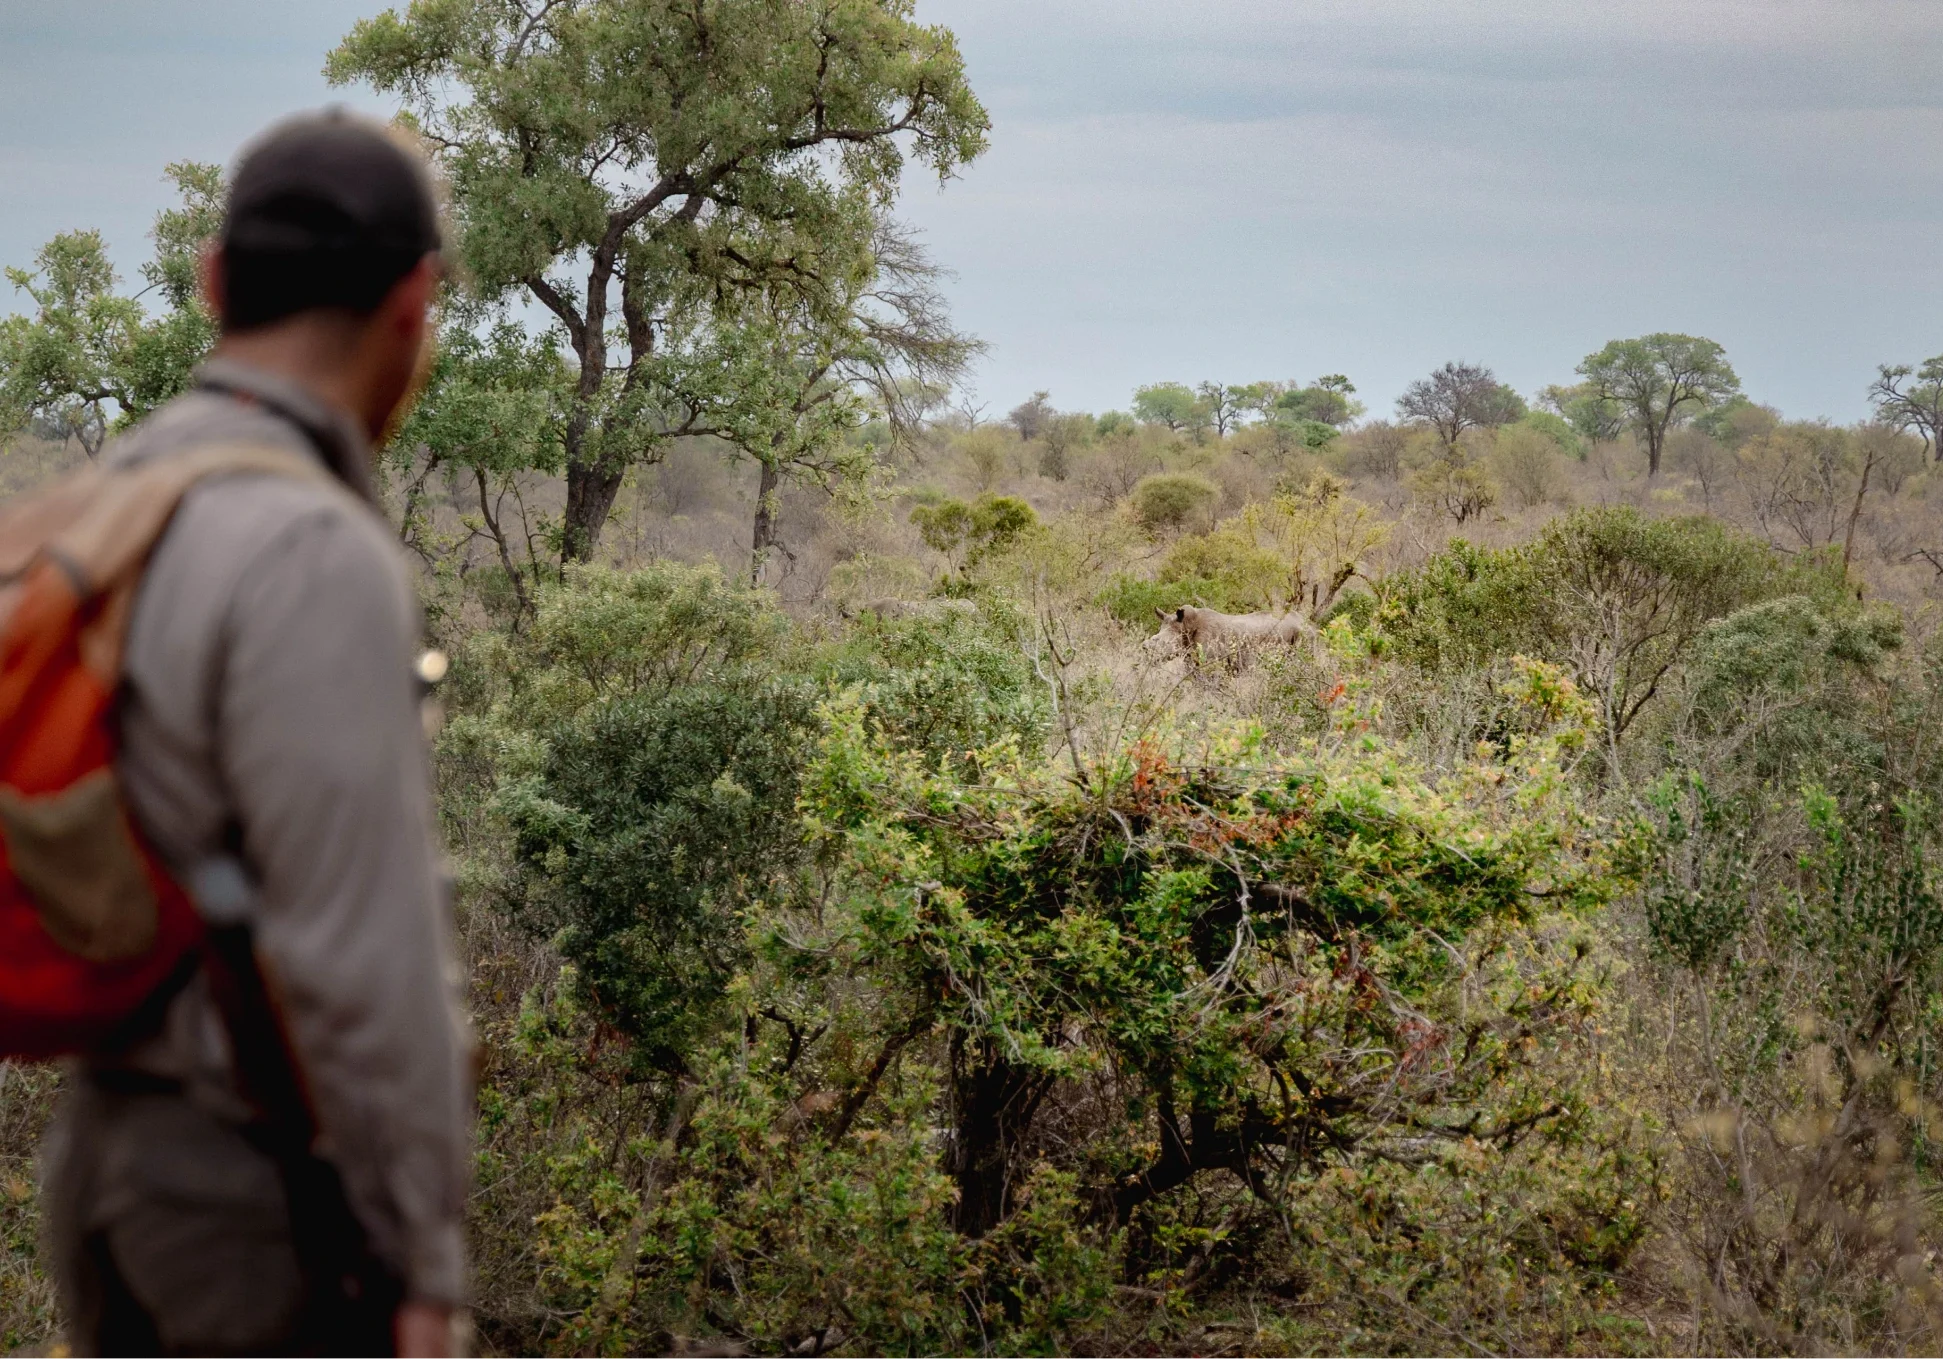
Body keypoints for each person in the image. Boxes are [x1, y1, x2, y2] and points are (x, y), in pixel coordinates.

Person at [39, 110, 472, 1359]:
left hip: (107, 1166)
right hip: (259, 1195)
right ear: (415, 298)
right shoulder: (311, 546)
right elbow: (358, 957)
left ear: (214, 280)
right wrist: (424, 1271)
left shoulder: (113, 502)